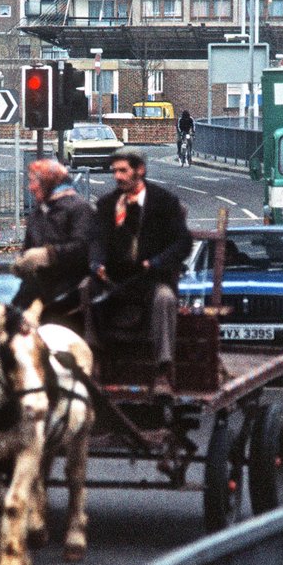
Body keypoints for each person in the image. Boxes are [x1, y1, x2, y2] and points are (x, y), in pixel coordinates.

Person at [90, 147, 194, 396]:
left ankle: (162, 371)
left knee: (165, 299)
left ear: (140, 171)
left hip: (151, 279)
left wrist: (158, 262)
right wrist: (97, 263)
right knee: (85, 291)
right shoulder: (107, 205)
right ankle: (93, 362)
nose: (117, 176)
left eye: (123, 170)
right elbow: (97, 241)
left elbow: (183, 243)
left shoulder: (164, 202)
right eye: (114, 171)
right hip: (115, 280)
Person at [13, 159, 96, 332]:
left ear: (48, 182)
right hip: (36, 293)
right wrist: (21, 264)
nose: (31, 187)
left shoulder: (79, 208)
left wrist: (48, 255)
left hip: (69, 298)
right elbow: (29, 250)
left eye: (34, 181)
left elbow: (84, 248)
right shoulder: (37, 213)